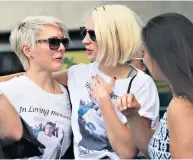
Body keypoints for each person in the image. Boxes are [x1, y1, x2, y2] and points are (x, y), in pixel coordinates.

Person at [0, 4, 159, 159]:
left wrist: (103, 99)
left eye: (93, 35)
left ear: (114, 37)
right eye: (84, 33)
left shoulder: (141, 84)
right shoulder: (78, 73)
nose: (85, 40)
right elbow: (33, 77)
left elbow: (127, 152)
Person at [116, 13, 193, 159]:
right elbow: (157, 149)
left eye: (144, 52)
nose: (143, 59)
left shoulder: (181, 107)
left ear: (161, 55)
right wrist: (133, 116)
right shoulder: (180, 101)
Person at [0, 15, 72, 159]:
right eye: (53, 42)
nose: (62, 48)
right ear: (27, 50)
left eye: (64, 42)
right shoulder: (7, 90)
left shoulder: (71, 94)